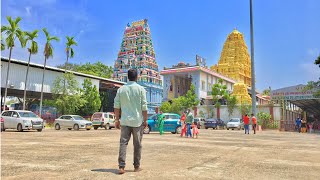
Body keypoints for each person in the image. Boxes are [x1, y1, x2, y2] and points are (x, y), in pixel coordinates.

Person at [114, 69, 148, 175]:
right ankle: (136, 166)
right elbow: (144, 107)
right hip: (137, 122)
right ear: (137, 77)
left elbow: (116, 106)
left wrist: (116, 119)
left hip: (124, 121)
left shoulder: (121, 89)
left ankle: (121, 167)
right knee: (137, 144)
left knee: (123, 143)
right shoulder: (141, 89)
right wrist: (145, 120)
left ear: (127, 77)